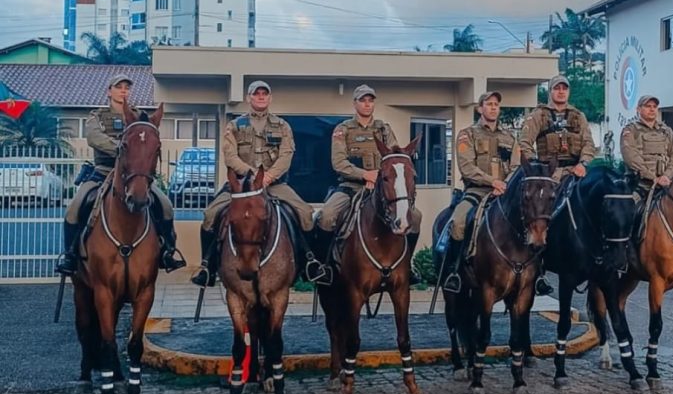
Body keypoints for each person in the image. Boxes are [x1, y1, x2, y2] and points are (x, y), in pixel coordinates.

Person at [191, 81, 321, 287]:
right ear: (248, 98)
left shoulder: (283, 126)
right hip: (241, 186)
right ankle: (208, 266)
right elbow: (230, 156)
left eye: (264, 94)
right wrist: (252, 175)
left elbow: (286, 155)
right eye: (256, 94)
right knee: (210, 215)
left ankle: (309, 263)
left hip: (275, 185)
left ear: (270, 98)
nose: (260, 97)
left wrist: (268, 177)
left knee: (305, 213)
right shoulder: (234, 126)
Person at [55, 73, 186, 276]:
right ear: (109, 91)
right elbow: (94, 137)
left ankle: (168, 252)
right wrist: (121, 148)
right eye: (119, 87)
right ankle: (70, 255)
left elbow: (148, 137)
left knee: (166, 206)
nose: (123, 90)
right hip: (104, 171)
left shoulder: (139, 115)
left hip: (133, 175)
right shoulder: (97, 116)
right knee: (75, 207)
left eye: (127, 87)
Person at [314, 84, 422, 279]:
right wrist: (365, 175)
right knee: (327, 215)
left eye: (370, 100)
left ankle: (407, 265)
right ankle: (323, 266)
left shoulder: (383, 129)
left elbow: (394, 159)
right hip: (350, 187)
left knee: (415, 217)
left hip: (381, 188)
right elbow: (338, 163)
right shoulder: (343, 129)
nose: (367, 104)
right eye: (362, 100)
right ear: (355, 103)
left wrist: (379, 178)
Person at [519, 75, 596, 295]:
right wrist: (537, 169)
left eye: (565, 89)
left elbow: (588, 143)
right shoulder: (539, 115)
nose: (561, 92)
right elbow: (524, 143)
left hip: (575, 171)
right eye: (557, 88)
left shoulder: (578, 116)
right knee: (540, 212)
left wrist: (583, 163)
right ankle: (537, 268)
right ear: (550, 91)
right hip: (547, 173)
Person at [441, 91, 519, 293]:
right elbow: (466, 167)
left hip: (504, 194)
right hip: (476, 192)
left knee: (533, 221)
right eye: (489, 103)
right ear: (479, 109)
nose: (493, 107)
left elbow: (516, 166)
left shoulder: (510, 137)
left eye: (496, 104)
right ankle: (455, 271)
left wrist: (505, 184)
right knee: (458, 222)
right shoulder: (468, 134)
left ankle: (537, 274)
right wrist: (492, 181)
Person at [620, 95, 673, 199]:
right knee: (629, 212)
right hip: (640, 186)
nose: (652, 109)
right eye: (648, 106)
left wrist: (667, 175)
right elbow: (630, 157)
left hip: (666, 184)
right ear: (638, 109)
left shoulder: (666, 130)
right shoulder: (631, 130)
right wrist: (652, 178)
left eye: (654, 106)